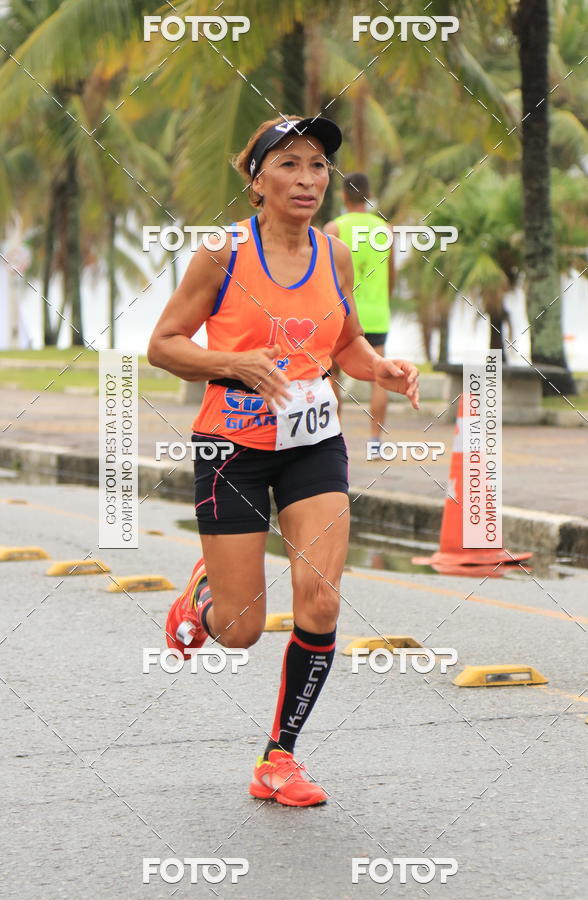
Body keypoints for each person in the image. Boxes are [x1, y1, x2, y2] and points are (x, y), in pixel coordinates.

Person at [147, 115, 419, 808]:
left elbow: (346, 344)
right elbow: (165, 345)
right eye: (290, 164)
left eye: (318, 166)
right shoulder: (221, 253)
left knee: (321, 600)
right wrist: (230, 361)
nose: (307, 179)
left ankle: (280, 757)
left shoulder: (335, 255)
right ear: (257, 178)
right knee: (239, 632)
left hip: (312, 441)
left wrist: (382, 369)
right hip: (230, 444)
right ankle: (204, 593)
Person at [324, 173, 394, 458]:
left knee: (332, 375)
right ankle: (375, 442)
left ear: (343, 196)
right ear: (368, 195)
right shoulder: (384, 229)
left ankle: (334, 439)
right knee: (380, 376)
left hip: (341, 311)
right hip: (377, 313)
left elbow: (323, 276)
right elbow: (391, 275)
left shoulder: (334, 228)